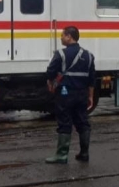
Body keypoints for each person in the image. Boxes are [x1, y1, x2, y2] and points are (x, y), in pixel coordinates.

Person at [45, 26, 96, 164]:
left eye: (62, 35)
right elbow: (92, 79)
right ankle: (84, 153)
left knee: (65, 122)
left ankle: (61, 156)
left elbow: (50, 71)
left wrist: (50, 81)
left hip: (65, 94)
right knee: (82, 122)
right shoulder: (89, 56)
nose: (61, 38)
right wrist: (90, 96)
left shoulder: (60, 54)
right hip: (82, 94)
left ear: (69, 37)